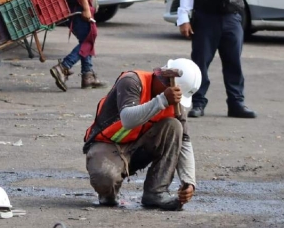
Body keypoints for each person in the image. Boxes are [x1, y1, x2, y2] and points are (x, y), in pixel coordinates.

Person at [83, 59, 201, 211]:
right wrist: (163, 100)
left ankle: (156, 192)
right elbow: (127, 119)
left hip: (137, 149)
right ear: (169, 83)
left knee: (174, 126)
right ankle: (108, 193)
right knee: (105, 180)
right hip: (108, 144)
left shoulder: (175, 104)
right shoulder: (132, 82)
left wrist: (189, 182)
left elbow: (184, 141)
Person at [177, 0, 256, 119]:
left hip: (232, 20)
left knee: (233, 63)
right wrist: (183, 19)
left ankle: (236, 104)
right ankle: (198, 103)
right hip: (206, 21)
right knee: (200, 64)